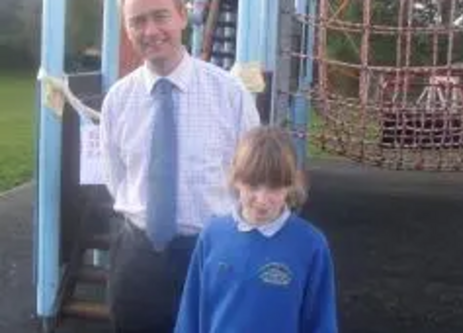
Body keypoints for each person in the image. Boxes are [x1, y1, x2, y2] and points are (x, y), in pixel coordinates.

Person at [99, 0, 260, 331]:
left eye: (160, 17)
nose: (150, 31)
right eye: (137, 21)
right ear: (127, 29)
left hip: (213, 256)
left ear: (183, 17)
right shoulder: (117, 100)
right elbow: (116, 179)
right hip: (137, 260)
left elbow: (254, 180)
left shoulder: (230, 94)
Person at [174, 126, 338, 333]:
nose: (262, 200)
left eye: (275, 187)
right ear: (236, 179)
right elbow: (190, 315)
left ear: (291, 184)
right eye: (253, 186)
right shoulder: (212, 236)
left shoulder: (311, 245)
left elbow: (321, 322)